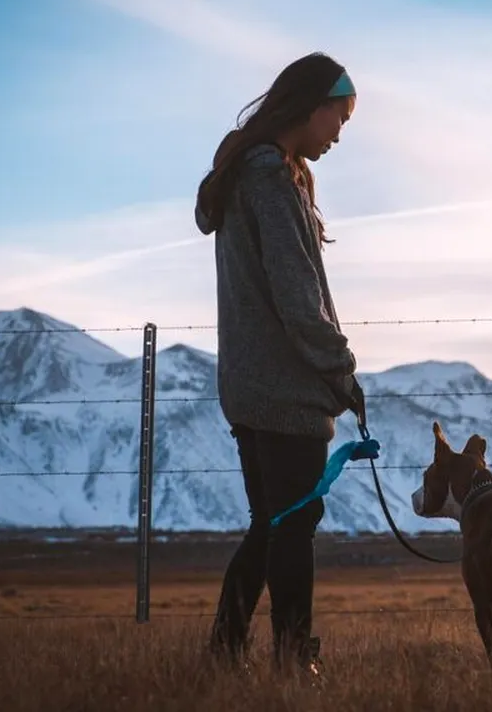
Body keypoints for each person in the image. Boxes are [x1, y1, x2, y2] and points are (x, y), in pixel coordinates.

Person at [193, 51, 365, 679]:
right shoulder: (270, 180)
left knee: (271, 523)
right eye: (339, 118)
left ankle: (224, 652)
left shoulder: (246, 175)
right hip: (286, 389)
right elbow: (298, 300)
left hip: (247, 385)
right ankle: (294, 663)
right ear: (311, 106)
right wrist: (341, 372)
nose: (339, 135)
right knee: (293, 527)